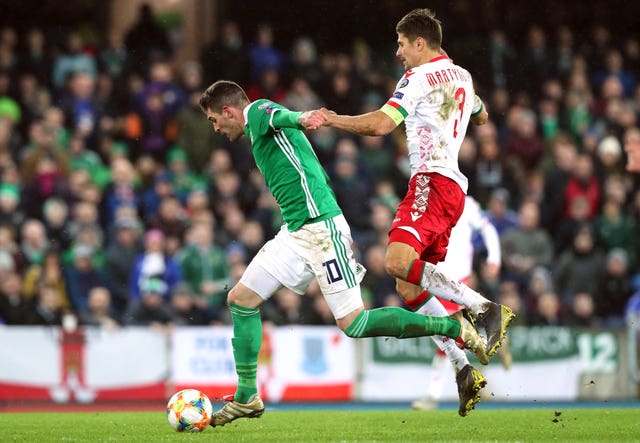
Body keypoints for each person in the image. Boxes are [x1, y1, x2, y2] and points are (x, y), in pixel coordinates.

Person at [198, 80, 487, 425]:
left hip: (323, 230)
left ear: (229, 111)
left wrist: (303, 117)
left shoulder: (257, 112)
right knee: (240, 300)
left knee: (354, 323)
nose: (216, 128)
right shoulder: (256, 128)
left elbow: (279, 115)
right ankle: (247, 396)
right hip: (295, 232)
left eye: (215, 120)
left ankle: (452, 326)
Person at [321, 8, 514, 369]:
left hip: (431, 180)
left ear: (420, 43)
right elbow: (482, 114)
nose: (398, 53)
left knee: (395, 261)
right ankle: (461, 367)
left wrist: (334, 119)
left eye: (402, 44)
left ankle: (483, 309)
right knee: (408, 287)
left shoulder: (418, 76)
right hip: (453, 188)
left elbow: (381, 125)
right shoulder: (463, 75)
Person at [411, 195, 508, 411]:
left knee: (445, 335)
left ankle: (432, 395)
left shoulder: (467, 204)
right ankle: (489, 343)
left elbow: (488, 229)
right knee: (450, 335)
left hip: (457, 282)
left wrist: (494, 259)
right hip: (433, 280)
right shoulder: (427, 200)